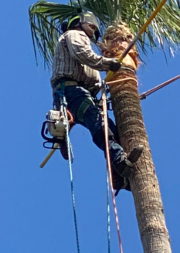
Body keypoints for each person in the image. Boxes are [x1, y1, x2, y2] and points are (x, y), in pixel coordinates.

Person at [50, 11, 142, 191]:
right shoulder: (74, 34)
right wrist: (108, 63)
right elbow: (83, 54)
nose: (93, 29)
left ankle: (117, 175)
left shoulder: (79, 39)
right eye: (91, 25)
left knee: (109, 127)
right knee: (98, 121)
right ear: (80, 22)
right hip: (71, 90)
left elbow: (89, 70)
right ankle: (118, 159)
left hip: (78, 93)